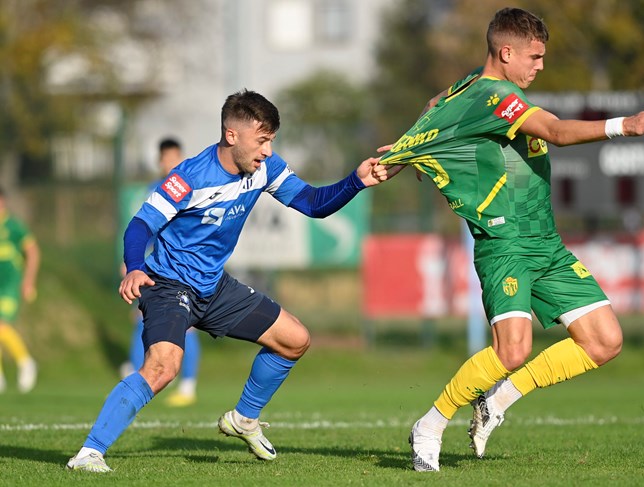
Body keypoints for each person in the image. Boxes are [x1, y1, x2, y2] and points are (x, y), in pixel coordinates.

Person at [378, 7, 644, 472]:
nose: (540, 66)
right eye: (534, 57)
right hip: (505, 242)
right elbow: (555, 132)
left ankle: (497, 400)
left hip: (545, 242)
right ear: (506, 52)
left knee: (605, 341)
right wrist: (623, 126)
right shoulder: (495, 95)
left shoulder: (474, 83)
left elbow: (439, 102)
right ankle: (430, 425)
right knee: (512, 350)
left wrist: (415, 144)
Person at [66, 89, 390, 472]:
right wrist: (135, 265)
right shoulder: (189, 176)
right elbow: (141, 224)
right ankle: (89, 453)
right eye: (262, 140)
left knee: (294, 340)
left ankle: (243, 420)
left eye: (271, 140)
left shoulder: (264, 169)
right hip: (169, 284)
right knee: (162, 367)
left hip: (213, 287)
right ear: (231, 135)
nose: (268, 150)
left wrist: (356, 180)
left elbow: (313, 203)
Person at [120, 137, 202, 408]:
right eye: (168, 158)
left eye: (177, 157)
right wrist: (132, 264)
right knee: (141, 316)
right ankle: (137, 373)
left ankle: (188, 385)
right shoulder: (154, 190)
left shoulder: (193, 186)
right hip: (158, 265)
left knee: (187, 325)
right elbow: (144, 229)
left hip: (186, 268)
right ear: (160, 161)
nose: (172, 163)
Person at [0, 186, 40, 394]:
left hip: (9, 285)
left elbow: (33, 253)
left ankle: (26, 362)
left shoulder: (14, 226)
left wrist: (28, 281)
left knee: (1, 326)